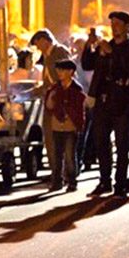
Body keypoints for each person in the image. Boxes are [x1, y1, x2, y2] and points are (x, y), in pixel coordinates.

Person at [81, 11, 129, 198]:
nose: (114, 27)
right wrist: (89, 44)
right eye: (112, 23)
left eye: (118, 23)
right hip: (103, 101)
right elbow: (87, 64)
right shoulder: (105, 46)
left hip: (123, 102)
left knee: (122, 144)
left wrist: (112, 53)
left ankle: (121, 183)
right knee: (101, 142)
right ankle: (104, 180)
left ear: (127, 27)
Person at [31, 29, 71, 186]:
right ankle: (56, 174)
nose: (37, 48)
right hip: (50, 102)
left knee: (61, 139)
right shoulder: (47, 56)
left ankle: (65, 174)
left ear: (44, 40)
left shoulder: (59, 52)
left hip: (61, 103)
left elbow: (64, 78)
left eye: (38, 44)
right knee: (50, 139)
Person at [44, 59, 85, 192]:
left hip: (70, 127)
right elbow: (49, 106)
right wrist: (51, 96)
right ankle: (57, 181)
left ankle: (72, 181)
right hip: (57, 125)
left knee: (69, 155)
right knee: (57, 155)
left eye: (62, 70)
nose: (59, 73)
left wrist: (75, 121)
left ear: (70, 72)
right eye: (58, 70)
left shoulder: (76, 89)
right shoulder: (55, 88)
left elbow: (79, 109)